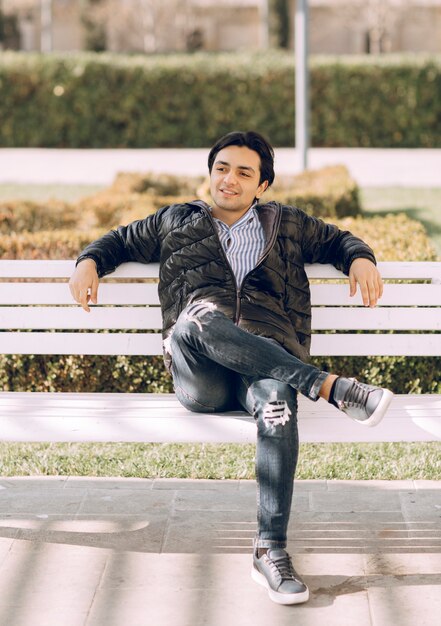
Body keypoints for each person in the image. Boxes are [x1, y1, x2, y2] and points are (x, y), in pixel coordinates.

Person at [69, 130, 393, 606]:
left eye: (244, 172)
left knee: (278, 401)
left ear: (262, 185)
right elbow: (118, 241)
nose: (229, 179)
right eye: (222, 168)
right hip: (200, 371)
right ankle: (329, 387)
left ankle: (271, 550)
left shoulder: (284, 224)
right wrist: (88, 261)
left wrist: (360, 257)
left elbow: (337, 240)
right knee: (195, 317)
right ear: (210, 173)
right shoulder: (177, 220)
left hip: (264, 359)